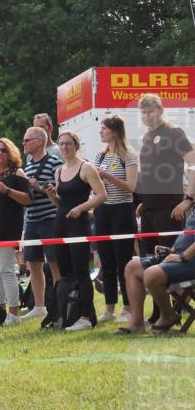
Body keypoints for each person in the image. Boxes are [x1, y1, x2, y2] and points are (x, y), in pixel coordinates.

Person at [42, 131, 107, 331]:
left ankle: (86, 317)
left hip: (79, 224)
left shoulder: (86, 167)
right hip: (61, 223)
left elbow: (102, 195)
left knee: (81, 272)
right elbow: (60, 202)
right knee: (65, 272)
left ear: (76, 145)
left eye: (68, 144)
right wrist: (51, 195)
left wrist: (82, 208)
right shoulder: (59, 170)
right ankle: (70, 313)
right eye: (61, 144)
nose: (64, 147)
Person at [92, 116, 140, 324]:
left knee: (123, 261)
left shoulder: (129, 155)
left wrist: (107, 177)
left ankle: (128, 308)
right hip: (103, 211)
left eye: (104, 128)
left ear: (115, 130)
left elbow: (131, 187)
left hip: (122, 211)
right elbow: (94, 184)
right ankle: (109, 308)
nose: (100, 132)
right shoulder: (99, 155)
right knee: (106, 261)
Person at [135, 93, 195, 256]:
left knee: (167, 261)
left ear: (160, 110)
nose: (146, 116)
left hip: (170, 208)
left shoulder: (173, 132)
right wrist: (145, 202)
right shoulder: (147, 136)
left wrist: (188, 200)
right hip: (148, 209)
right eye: (143, 112)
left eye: (150, 111)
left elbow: (193, 164)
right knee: (148, 259)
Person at [119, 208, 195, 335]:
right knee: (132, 267)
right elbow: (187, 234)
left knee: (151, 274)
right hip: (183, 258)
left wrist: (183, 256)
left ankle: (168, 316)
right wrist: (171, 251)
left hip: (190, 261)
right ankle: (136, 324)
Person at [20, 126, 64, 320]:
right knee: (33, 263)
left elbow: (59, 192)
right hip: (31, 220)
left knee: (55, 262)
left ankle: (59, 301)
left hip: (49, 219)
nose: (23, 144)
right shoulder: (27, 166)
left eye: (26, 140)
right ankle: (39, 306)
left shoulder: (55, 162)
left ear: (39, 141)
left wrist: (38, 187)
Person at [0, 138, 32, 324]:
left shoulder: (17, 173)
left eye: (3, 150)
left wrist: (7, 190)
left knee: (6, 270)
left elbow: (28, 199)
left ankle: (14, 314)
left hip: (9, 228)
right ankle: (0, 310)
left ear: (11, 153)